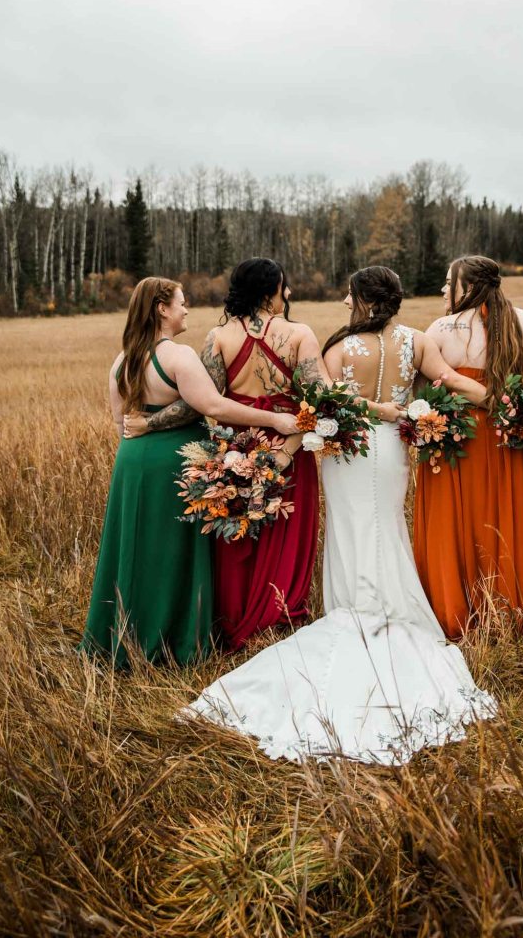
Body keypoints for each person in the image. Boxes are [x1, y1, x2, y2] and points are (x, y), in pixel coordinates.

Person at [181, 267, 495, 765]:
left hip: (348, 451)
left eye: (350, 295)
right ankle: (388, 606)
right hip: (392, 449)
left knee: (350, 527)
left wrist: (363, 413)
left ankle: (352, 606)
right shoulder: (418, 340)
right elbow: (449, 381)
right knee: (387, 523)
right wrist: (500, 402)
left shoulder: (339, 347)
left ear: (363, 299)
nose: (345, 302)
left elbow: (328, 402)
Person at [81, 276, 298, 667]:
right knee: (172, 552)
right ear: (162, 309)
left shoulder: (121, 361)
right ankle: (173, 642)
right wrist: (274, 419)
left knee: (135, 548)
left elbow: (120, 424)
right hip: (174, 463)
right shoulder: (178, 356)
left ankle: (124, 637)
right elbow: (213, 406)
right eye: (181, 303)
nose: (186, 310)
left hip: (131, 464)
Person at [126, 259, 328, 650]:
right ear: (269, 291)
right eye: (283, 286)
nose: (287, 294)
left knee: (236, 531)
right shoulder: (300, 334)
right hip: (288, 444)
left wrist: (148, 423)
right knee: (284, 531)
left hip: (235, 447)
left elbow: (198, 403)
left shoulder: (218, 337)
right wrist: (288, 450)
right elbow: (320, 401)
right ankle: (278, 618)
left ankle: (234, 621)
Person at [414, 255, 523, 641]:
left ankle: (459, 609)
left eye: (448, 283)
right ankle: (516, 612)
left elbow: (429, 383)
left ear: (467, 287)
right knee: (511, 520)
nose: (443, 290)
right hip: (515, 438)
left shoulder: (442, 328)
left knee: (460, 521)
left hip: (462, 438)